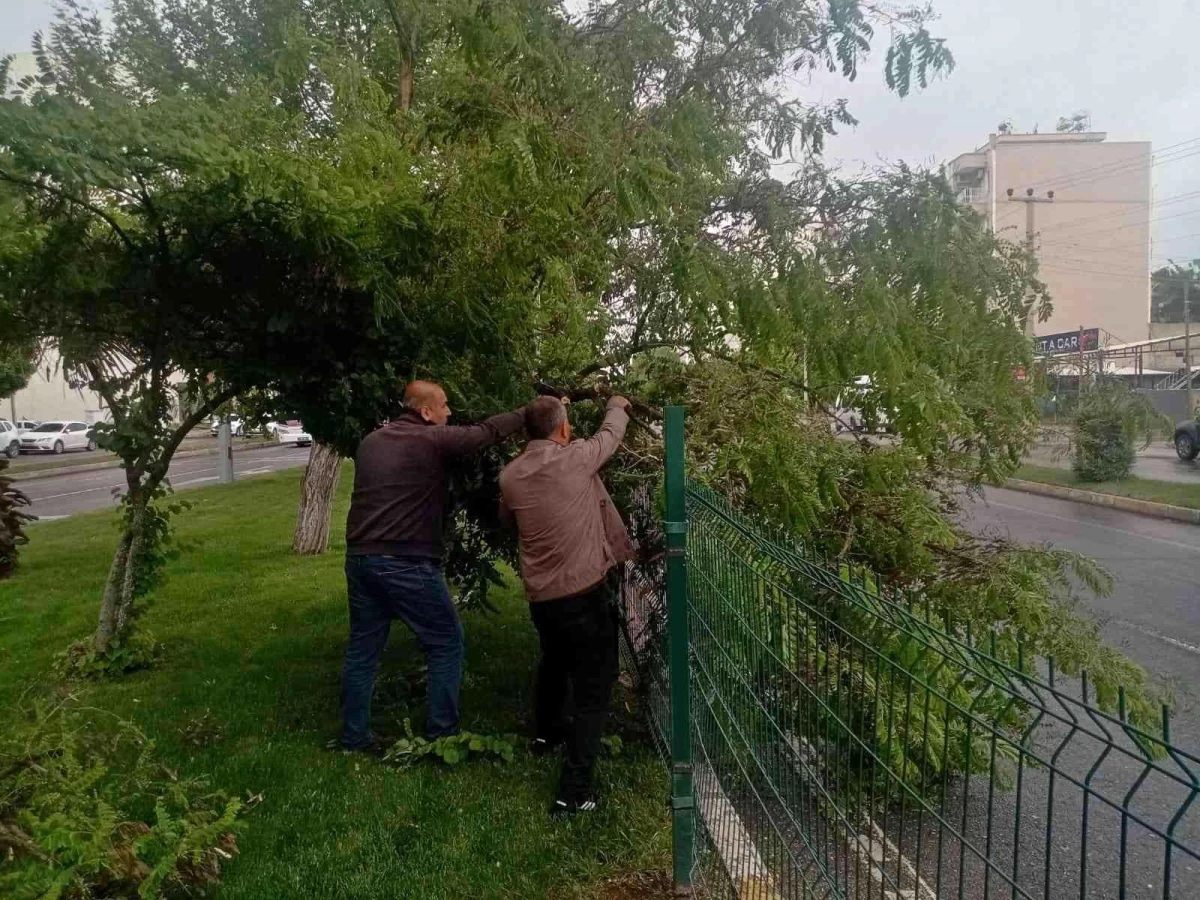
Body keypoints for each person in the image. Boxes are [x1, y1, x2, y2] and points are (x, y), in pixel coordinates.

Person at [340, 380, 525, 751]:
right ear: (425, 412)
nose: (449, 412)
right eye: (443, 406)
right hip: (405, 560)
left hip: (360, 558)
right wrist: (527, 413)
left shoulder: (371, 441)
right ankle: (442, 734)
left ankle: (353, 736)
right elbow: (483, 434)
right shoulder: (428, 439)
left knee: (363, 650)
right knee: (445, 643)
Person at [499, 393, 634, 816]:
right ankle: (572, 793)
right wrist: (617, 402)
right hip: (583, 597)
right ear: (561, 430)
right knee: (594, 692)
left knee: (555, 661)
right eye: (568, 423)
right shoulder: (576, 459)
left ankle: (546, 735)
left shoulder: (510, 477)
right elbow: (612, 434)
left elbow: (507, 520)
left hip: (543, 600)